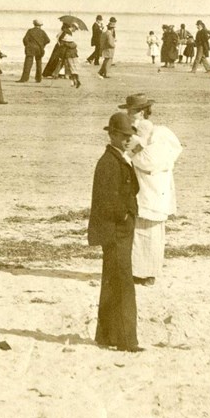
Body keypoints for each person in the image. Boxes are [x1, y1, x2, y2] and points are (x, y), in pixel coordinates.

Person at [87, 111, 140, 352]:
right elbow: (108, 200)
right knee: (123, 285)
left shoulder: (117, 158)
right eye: (126, 136)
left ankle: (106, 336)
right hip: (117, 230)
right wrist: (125, 216)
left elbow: (132, 188)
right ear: (114, 135)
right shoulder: (109, 161)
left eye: (131, 135)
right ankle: (126, 341)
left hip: (118, 230)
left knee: (112, 282)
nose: (129, 139)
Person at [124, 95, 181, 286]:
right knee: (139, 230)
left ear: (141, 112)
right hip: (142, 186)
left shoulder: (161, 133)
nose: (128, 114)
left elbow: (152, 161)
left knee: (152, 230)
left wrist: (135, 151)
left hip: (156, 186)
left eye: (131, 111)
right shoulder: (132, 135)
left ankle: (149, 273)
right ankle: (136, 271)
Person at [54, 22, 83, 89]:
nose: (75, 30)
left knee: (71, 67)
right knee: (72, 67)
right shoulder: (67, 33)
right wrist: (74, 45)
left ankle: (74, 82)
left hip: (68, 53)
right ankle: (75, 81)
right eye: (75, 29)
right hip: (70, 53)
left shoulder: (64, 32)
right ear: (73, 27)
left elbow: (59, 40)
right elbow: (70, 44)